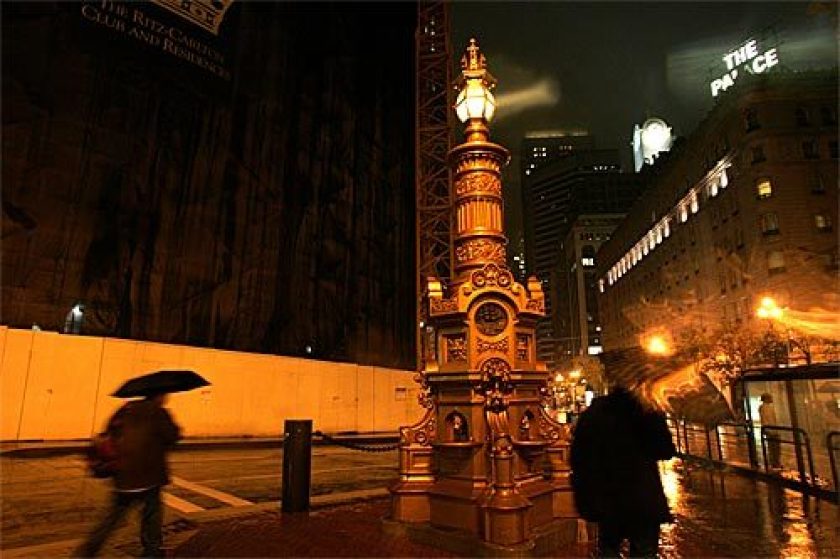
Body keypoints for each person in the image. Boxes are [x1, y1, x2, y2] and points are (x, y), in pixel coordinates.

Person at [570, 382, 676, 558]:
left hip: (607, 500)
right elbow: (665, 450)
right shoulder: (647, 410)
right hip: (642, 499)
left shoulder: (595, 413)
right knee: (644, 551)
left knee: (609, 549)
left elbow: (579, 457)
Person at [77, 392, 181, 557]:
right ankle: (151, 551)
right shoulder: (158, 412)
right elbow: (172, 437)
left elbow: (109, 431)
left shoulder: (126, 408)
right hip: (149, 476)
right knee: (152, 515)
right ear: (159, 396)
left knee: (112, 518)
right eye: (164, 395)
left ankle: (89, 549)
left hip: (123, 475)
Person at [758, 393, 782, 470]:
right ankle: (775, 463)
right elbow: (765, 420)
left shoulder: (769, 407)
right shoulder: (764, 408)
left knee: (775, 447)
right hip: (771, 431)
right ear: (766, 399)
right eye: (770, 397)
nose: (772, 399)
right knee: (773, 447)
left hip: (773, 430)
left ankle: (776, 462)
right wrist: (768, 430)